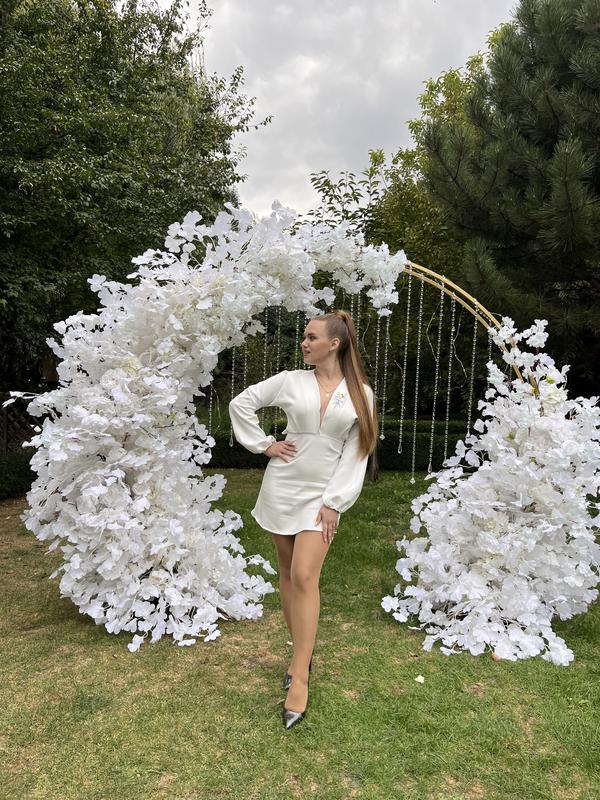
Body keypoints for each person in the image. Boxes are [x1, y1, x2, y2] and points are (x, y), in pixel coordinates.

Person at [228, 308, 378, 729]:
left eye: (312, 337)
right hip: (283, 485)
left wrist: (334, 502)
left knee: (305, 575)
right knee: (287, 572)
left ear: (335, 343)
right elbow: (242, 403)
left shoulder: (361, 394)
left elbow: (357, 452)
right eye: (305, 337)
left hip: (322, 494)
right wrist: (265, 445)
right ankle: (302, 654)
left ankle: (300, 676)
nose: (304, 343)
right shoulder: (291, 380)